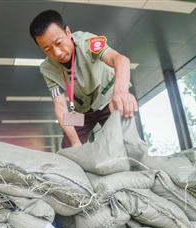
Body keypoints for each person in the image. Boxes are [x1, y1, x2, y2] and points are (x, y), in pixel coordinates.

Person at [29, 10, 138, 149]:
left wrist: (121, 92)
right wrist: (75, 142)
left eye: (58, 43)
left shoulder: (87, 43)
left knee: (125, 146)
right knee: (69, 149)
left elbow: (121, 60)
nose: (57, 53)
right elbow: (60, 106)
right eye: (47, 49)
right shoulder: (47, 69)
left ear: (68, 32)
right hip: (81, 109)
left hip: (108, 100)